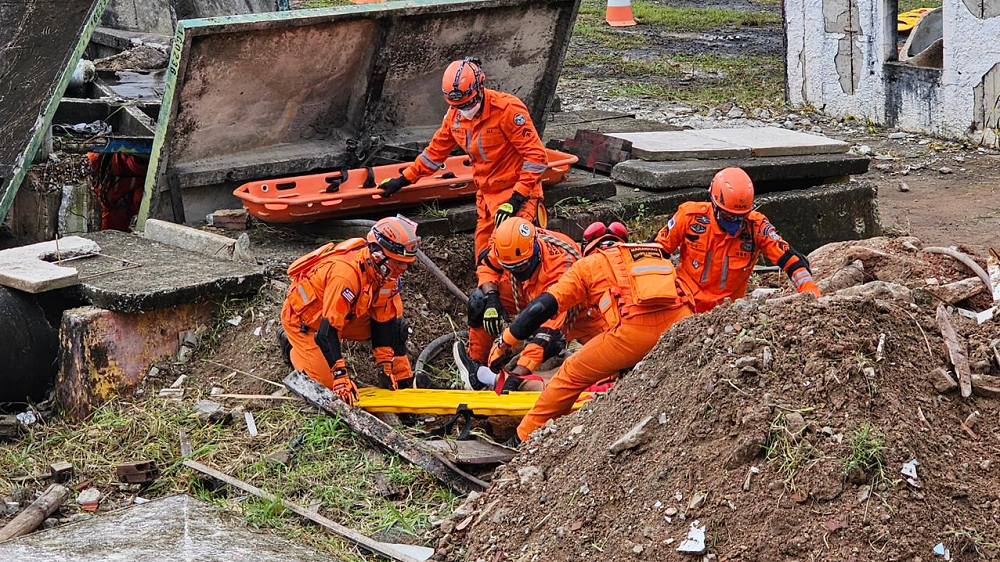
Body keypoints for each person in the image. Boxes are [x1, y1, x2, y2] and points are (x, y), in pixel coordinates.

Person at [490, 224, 694, 445]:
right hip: (683, 325)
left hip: (634, 335)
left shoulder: (588, 265)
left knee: (570, 373)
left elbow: (542, 307)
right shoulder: (652, 252)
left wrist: (506, 341)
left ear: (588, 247)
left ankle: (522, 439)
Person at [377, 57, 549, 256]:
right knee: (484, 263)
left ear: (480, 87)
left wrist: (516, 198)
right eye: (458, 106)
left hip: (516, 197)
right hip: (487, 199)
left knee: (514, 260)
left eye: (467, 104)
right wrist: (403, 179)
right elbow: (434, 153)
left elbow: (536, 157)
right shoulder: (454, 117)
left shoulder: (507, 110)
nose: (465, 110)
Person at [278, 216, 421, 405]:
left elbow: (384, 321)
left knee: (397, 326)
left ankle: (402, 379)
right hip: (306, 322)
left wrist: (385, 367)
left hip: (345, 316)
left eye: (406, 263)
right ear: (379, 254)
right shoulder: (345, 275)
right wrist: (340, 375)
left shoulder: (387, 273)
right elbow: (326, 332)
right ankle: (291, 347)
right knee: (325, 387)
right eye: (398, 262)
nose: (403, 268)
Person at [453, 217, 606, 393]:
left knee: (598, 371)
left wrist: (517, 375)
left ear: (535, 252)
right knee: (479, 301)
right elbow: (488, 266)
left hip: (582, 318)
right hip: (529, 291)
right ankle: (476, 370)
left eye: (521, 266)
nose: (517, 272)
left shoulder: (562, 266)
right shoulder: (505, 243)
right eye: (512, 268)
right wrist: (492, 297)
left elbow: (546, 332)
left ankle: (494, 379)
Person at [654, 167, 821, 312]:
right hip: (683, 303)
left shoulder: (756, 226)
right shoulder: (690, 217)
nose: (734, 223)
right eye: (728, 216)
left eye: (740, 217)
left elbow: (791, 260)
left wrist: (811, 293)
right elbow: (656, 249)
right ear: (713, 203)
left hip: (727, 312)